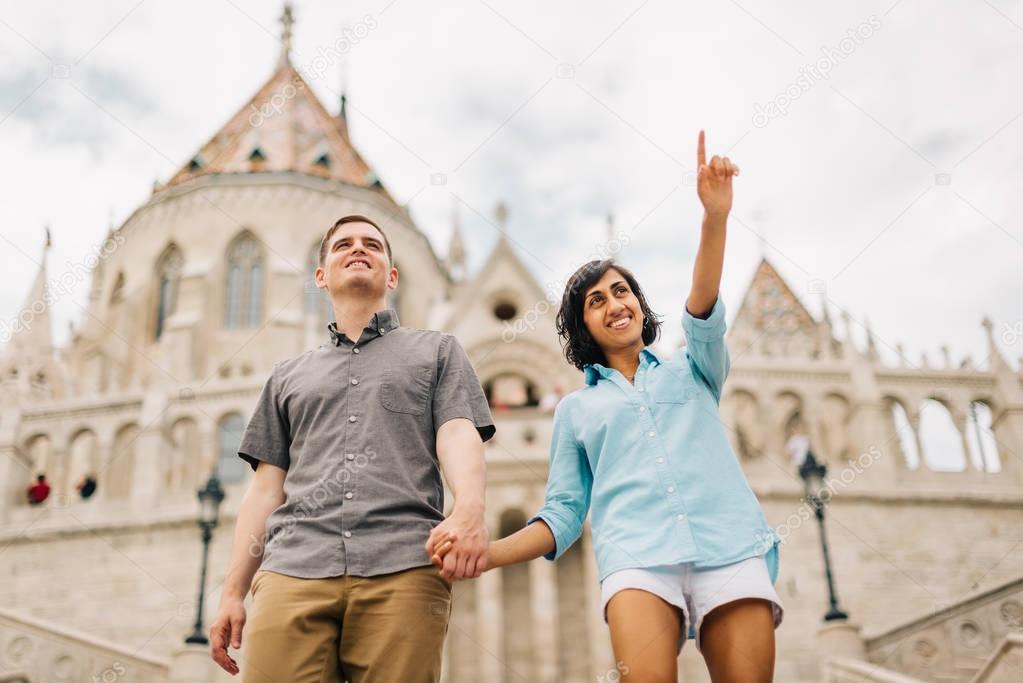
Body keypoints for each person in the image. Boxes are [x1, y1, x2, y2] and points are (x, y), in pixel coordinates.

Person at [430, 132, 783, 683]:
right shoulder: (575, 411)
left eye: (623, 292)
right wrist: (487, 553)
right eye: (597, 300)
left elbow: (704, 308)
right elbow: (565, 512)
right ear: (583, 327)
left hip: (729, 545)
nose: (616, 304)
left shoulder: (696, 368)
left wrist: (714, 218)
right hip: (637, 562)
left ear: (640, 305)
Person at [209, 215, 496, 683]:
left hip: (403, 566)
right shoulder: (286, 376)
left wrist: (469, 509)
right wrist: (232, 591)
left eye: (372, 245)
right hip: (293, 571)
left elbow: (458, 433)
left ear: (392, 275)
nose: (358, 249)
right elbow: (264, 491)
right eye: (343, 244)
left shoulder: (438, 352)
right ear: (320, 276)